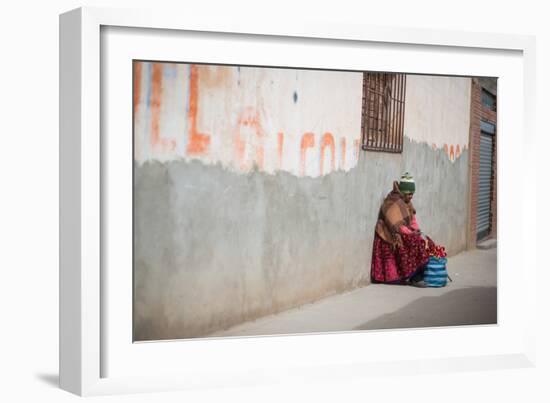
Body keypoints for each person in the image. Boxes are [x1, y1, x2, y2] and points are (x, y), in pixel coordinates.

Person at [370, 172, 429, 287]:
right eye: (409, 193)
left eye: (412, 194)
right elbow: (398, 226)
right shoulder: (392, 202)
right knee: (415, 243)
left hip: (401, 233)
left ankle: (416, 276)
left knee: (424, 241)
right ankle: (413, 277)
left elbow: (412, 221)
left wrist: (418, 232)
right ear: (403, 192)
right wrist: (412, 233)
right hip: (388, 236)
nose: (411, 196)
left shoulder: (407, 203)